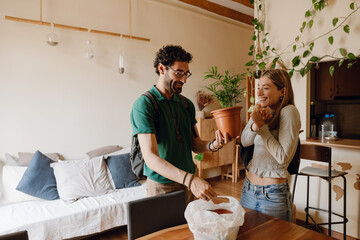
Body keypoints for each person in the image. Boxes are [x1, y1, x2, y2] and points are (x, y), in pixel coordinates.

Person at [130, 45, 231, 203]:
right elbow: (150, 157)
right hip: (162, 187)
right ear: (162, 68)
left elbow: (195, 144)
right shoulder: (144, 105)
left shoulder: (186, 105)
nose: (183, 80)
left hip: (189, 184)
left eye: (186, 74)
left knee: (191, 227)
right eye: (178, 73)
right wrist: (191, 180)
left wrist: (214, 144)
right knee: (170, 229)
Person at [240, 69, 301, 222]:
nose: (259, 92)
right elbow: (245, 140)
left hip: (273, 195)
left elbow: (283, 157)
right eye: (258, 86)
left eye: (266, 88)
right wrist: (255, 126)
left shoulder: (289, 112)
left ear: (282, 91)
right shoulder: (260, 110)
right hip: (248, 190)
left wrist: (262, 128)